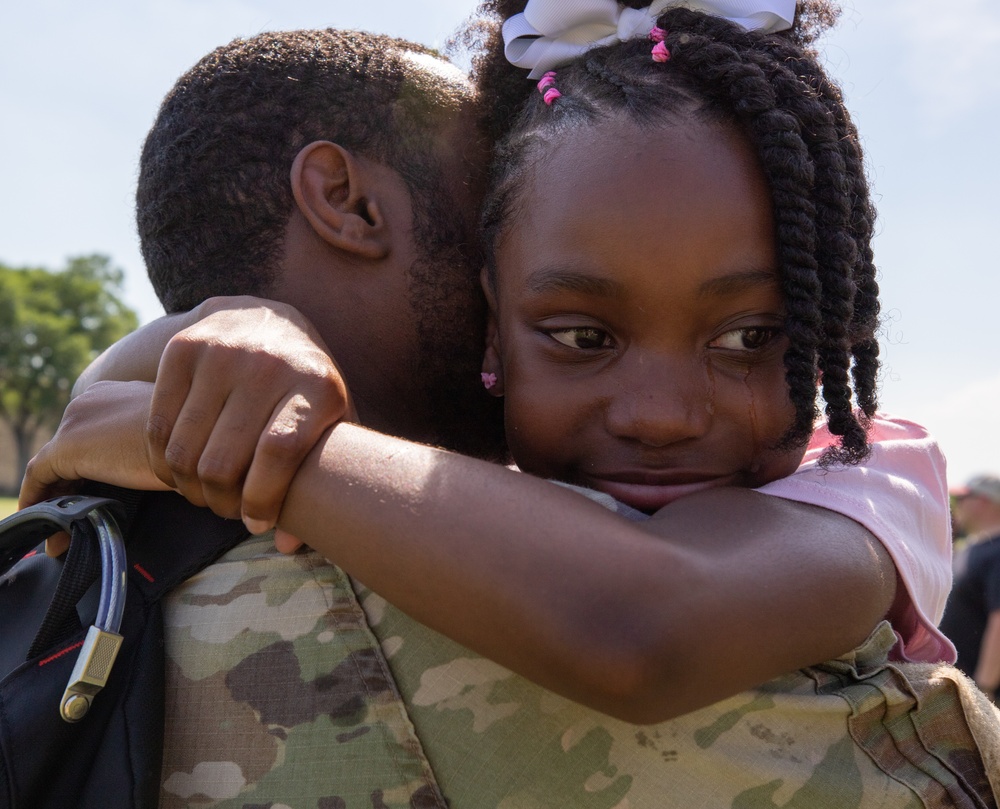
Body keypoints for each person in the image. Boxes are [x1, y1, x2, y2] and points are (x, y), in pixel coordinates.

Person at [24, 3, 1000, 806]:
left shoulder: (865, 472)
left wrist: (276, 443)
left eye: (751, 336)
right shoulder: (483, 485)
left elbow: (646, 627)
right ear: (498, 318)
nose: (658, 411)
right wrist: (232, 332)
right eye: (580, 333)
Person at [941, 474, 1000, 702]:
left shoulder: (996, 553)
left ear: (983, 500)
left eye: (963, 498)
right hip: (960, 687)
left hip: (984, 693)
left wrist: (985, 686)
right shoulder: (970, 549)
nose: (957, 505)